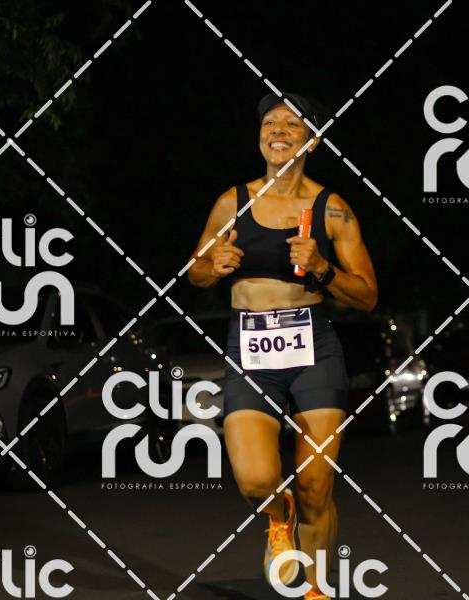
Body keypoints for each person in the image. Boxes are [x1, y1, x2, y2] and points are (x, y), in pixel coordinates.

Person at [188, 92, 378, 599]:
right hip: (250, 349)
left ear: (311, 141)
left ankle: (315, 589)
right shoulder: (232, 202)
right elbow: (195, 270)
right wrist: (213, 267)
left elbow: (367, 295)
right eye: (270, 122)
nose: (278, 130)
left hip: (314, 348)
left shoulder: (332, 210)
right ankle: (278, 514)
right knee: (255, 478)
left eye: (292, 124)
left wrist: (322, 268)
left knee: (316, 486)